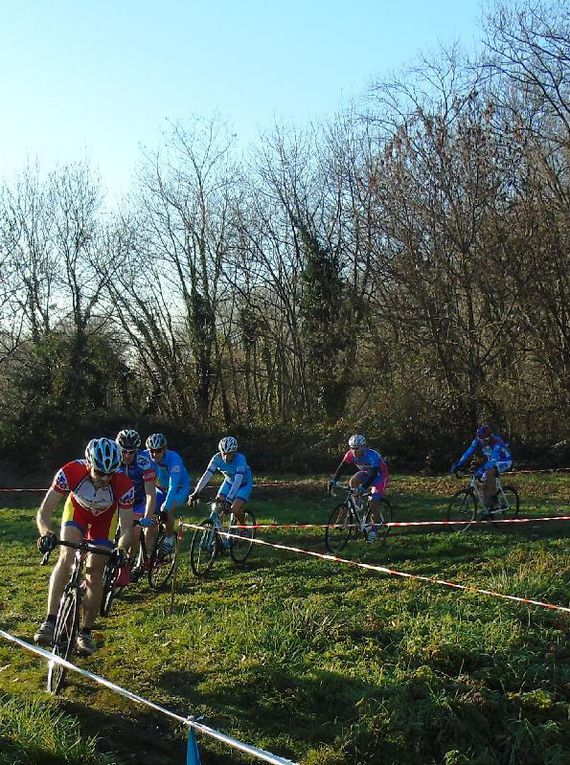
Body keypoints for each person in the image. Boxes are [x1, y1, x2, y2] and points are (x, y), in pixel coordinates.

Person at [34, 437, 134, 655]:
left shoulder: (123, 485)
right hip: (76, 514)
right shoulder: (70, 471)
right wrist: (46, 533)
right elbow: (45, 511)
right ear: (89, 465)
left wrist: (122, 549)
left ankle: (85, 631)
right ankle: (50, 620)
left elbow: (126, 527)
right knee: (66, 556)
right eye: (100, 472)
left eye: (111, 473)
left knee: (94, 572)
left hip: (103, 523)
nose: (105, 478)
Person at [328, 434, 389, 543]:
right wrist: (334, 481)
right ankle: (357, 501)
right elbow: (341, 467)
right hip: (366, 473)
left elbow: (374, 474)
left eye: (357, 448)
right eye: (352, 448)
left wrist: (364, 487)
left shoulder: (372, 455)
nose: (354, 451)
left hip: (379, 476)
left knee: (374, 501)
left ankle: (374, 529)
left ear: (363, 447)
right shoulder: (350, 454)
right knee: (353, 481)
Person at [188, 436, 253, 533]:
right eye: (224, 454)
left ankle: (244, 528)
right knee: (218, 505)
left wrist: (229, 500)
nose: (226, 457)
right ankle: (218, 534)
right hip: (229, 482)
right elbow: (206, 476)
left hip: (243, 484)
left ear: (234, 452)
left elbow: (238, 481)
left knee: (234, 509)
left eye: (229, 454)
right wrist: (196, 492)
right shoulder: (216, 458)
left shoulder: (240, 459)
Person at [115, 429, 157, 579]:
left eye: (131, 452)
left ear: (137, 451)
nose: (127, 456)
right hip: (116, 500)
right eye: (124, 451)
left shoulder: (144, 462)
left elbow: (151, 493)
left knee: (134, 530)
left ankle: (129, 563)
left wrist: (147, 516)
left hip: (138, 501)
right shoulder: (112, 458)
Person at [451, 424, 513, 515]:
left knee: (489, 472)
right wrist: (458, 465)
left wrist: (482, 469)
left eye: (484, 441)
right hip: (492, 461)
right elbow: (468, 453)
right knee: (483, 480)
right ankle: (488, 506)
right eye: (481, 440)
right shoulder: (477, 441)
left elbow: (493, 461)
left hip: (504, 460)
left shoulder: (497, 443)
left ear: (489, 438)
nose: (482, 443)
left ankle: (495, 501)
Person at [143, 433, 191, 554]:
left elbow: (173, 486)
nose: (154, 454)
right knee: (149, 522)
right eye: (151, 451)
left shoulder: (174, 459)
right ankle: (144, 559)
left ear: (164, 449)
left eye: (158, 451)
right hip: (160, 488)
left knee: (166, 508)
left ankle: (169, 538)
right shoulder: (145, 456)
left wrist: (166, 505)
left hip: (179, 489)